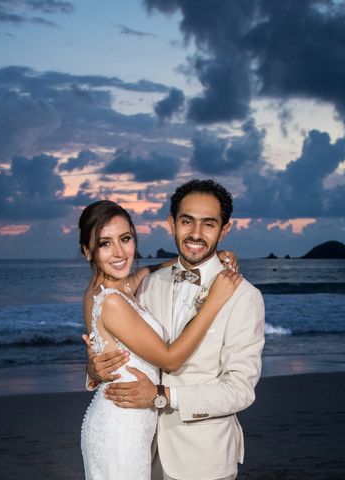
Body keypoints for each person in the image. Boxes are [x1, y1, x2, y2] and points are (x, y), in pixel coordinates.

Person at [86, 179, 265, 480]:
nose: (196, 234)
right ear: (172, 223)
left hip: (203, 459)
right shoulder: (149, 284)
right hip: (141, 448)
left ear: (224, 230)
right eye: (187, 221)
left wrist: (163, 396)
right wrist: (93, 370)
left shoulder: (244, 296)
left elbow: (240, 391)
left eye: (209, 224)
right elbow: (125, 344)